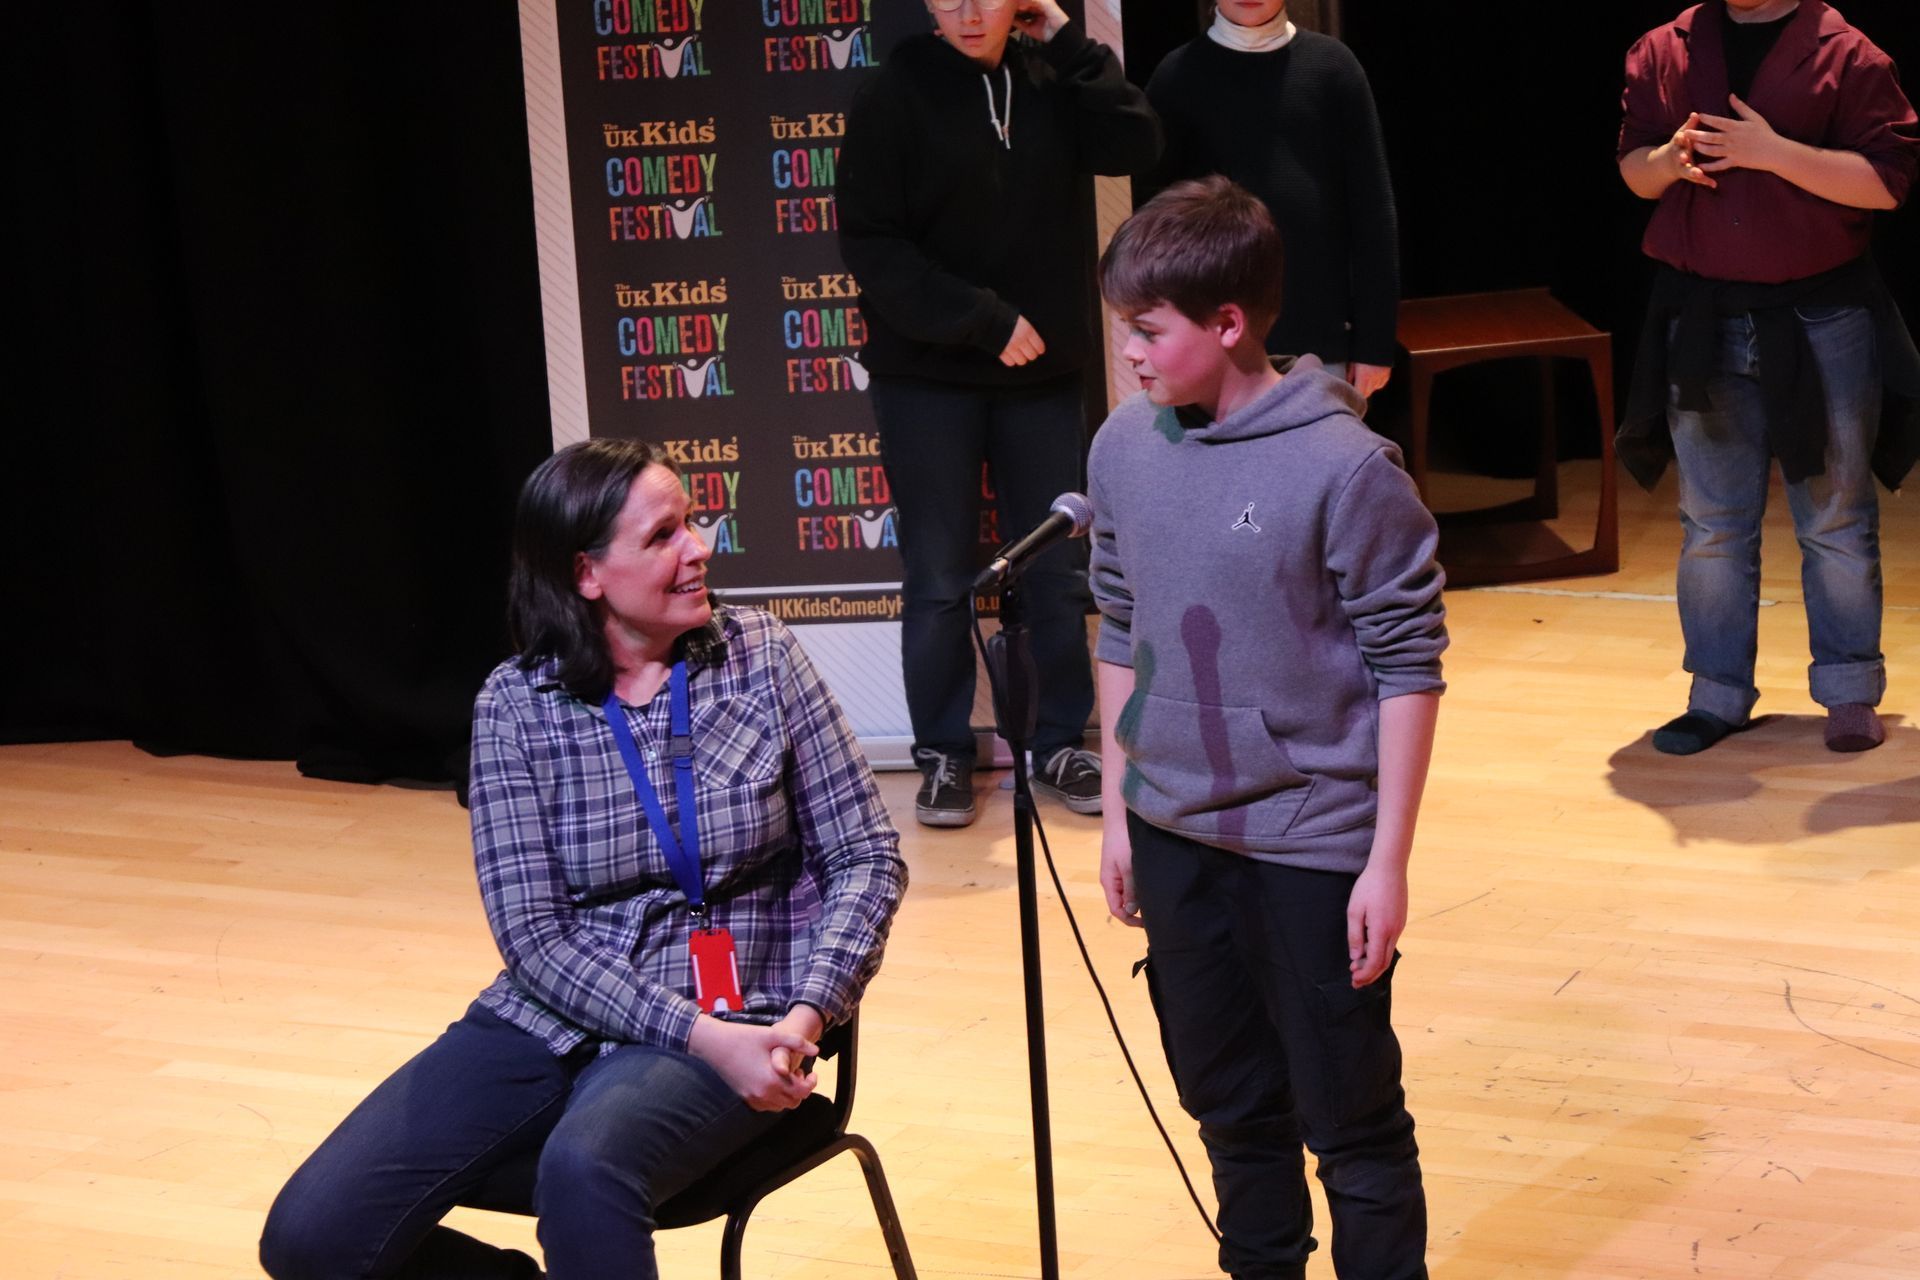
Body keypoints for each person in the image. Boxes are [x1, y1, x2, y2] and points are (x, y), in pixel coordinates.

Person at [258, 439, 908, 1279]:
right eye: (664, 535)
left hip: (742, 1014)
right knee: (313, 1237)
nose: (700, 546)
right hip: (554, 1016)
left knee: (584, 1170)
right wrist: (693, 1033)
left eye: (693, 522)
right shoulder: (514, 706)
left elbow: (866, 856)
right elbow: (533, 936)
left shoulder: (761, 658)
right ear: (587, 575)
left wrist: (809, 1012)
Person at [1089, 177, 1444, 1279]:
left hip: (1311, 843)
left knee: (1349, 1119)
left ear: (1229, 323)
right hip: (1174, 833)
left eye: (1149, 331)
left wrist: (1385, 862)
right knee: (1230, 1110)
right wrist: (1118, 810)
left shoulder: (1343, 466)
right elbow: (1115, 623)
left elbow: (1408, 666)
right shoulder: (1121, 448)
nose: (1134, 355)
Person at [838, 0, 1160, 827]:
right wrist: (984, 320)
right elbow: (871, 247)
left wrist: (1069, 41)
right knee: (941, 577)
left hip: (1045, 376)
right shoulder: (891, 95)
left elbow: (1137, 142)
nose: (971, 10)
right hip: (926, 377)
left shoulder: (1055, 75)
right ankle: (944, 752)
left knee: (1054, 569)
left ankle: (1057, 742)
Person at [1616, 0, 1920, 755]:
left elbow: (1886, 182)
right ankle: (1717, 694)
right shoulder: (1666, 46)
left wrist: (1771, 151)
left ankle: (1849, 689)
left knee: (1835, 517)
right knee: (1713, 524)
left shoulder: (1849, 54)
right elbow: (1635, 171)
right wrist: (1667, 162)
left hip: (1823, 319)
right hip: (1705, 316)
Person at [1142, 0, 1399, 401]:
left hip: (1318, 340)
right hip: (1210, 342)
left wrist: (1375, 343)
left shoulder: (1333, 67)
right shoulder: (1176, 76)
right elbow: (1155, 229)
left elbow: (1373, 214)